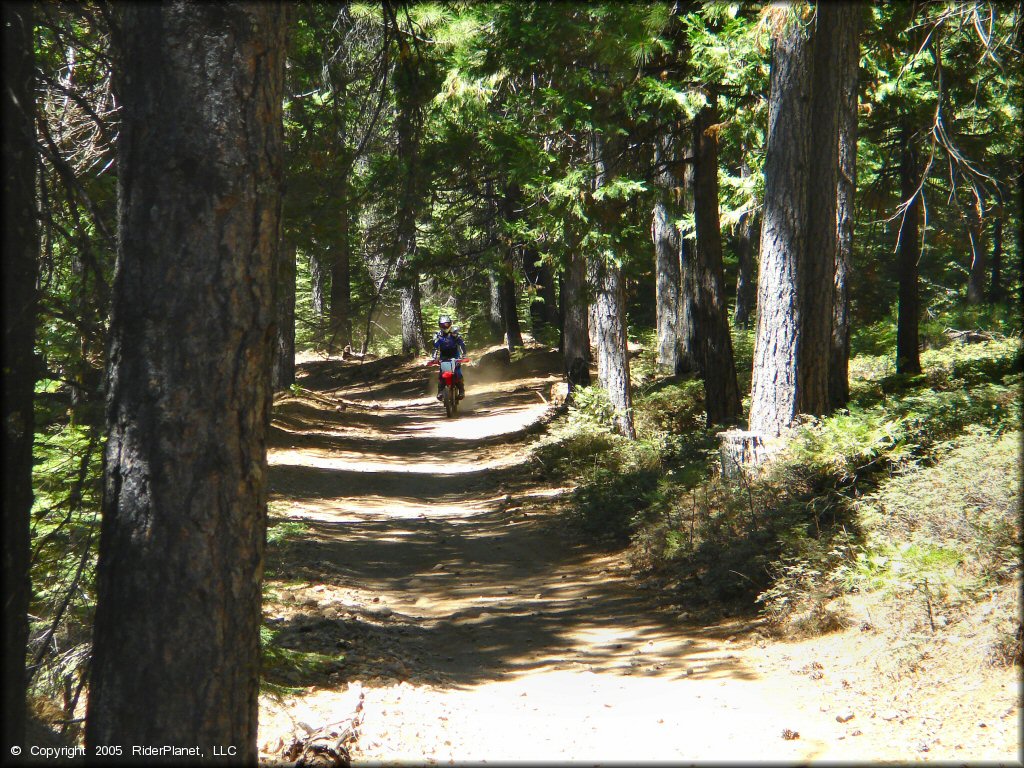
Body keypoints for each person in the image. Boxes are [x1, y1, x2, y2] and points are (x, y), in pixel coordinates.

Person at [432, 315, 466, 400]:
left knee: (457, 372)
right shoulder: (438, 335)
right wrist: (434, 358)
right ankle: (440, 391)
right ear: (440, 325)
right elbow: (435, 347)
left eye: (447, 324)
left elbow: (461, 344)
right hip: (444, 356)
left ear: (450, 324)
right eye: (443, 325)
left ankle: (461, 390)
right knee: (441, 374)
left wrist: (463, 355)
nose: (445, 326)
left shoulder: (455, 333)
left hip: (455, 355)